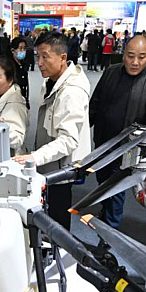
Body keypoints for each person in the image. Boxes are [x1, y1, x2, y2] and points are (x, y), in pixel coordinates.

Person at [14, 33, 92, 230]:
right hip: (49, 159)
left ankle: (58, 245)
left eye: (45, 57)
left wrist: (35, 157)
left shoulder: (71, 92)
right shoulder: (51, 79)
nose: (39, 63)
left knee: (58, 216)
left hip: (61, 167)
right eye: (37, 56)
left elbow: (68, 140)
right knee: (47, 208)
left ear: (62, 58)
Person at [89, 35, 146, 228]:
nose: (135, 62)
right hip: (103, 142)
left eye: (141, 57)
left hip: (129, 150)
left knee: (117, 189)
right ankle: (105, 210)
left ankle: (110, 230)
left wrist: (143, 153)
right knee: (102, 181)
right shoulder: (111, 72)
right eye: (131, 56)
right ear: (123, 53)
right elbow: (95, 104)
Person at [10, 36, 30, 106]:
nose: (23, 51)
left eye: (24, 48)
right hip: (12, 101)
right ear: (13, 50)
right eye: (20, 48)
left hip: (22, 100)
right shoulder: (9, 65)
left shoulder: (23, 64)